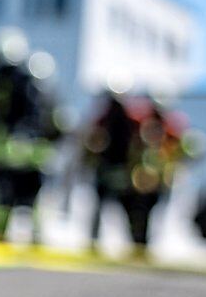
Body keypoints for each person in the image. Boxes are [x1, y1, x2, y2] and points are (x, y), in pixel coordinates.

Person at [0, 29, 62, 239]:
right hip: (11, 156)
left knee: (15, 198)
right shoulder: (9, 84)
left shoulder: (19, 84)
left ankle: (5, 236)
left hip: (11, 156)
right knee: (10, 199)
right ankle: (9, 236)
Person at [81, 89, 197, 251]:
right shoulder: (127, 122)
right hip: (129, 180)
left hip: (157, 182)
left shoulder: (170, 126)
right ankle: (99, 243)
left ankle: (140, 246)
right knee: (123, 213)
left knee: (144, 217)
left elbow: (184, 151)